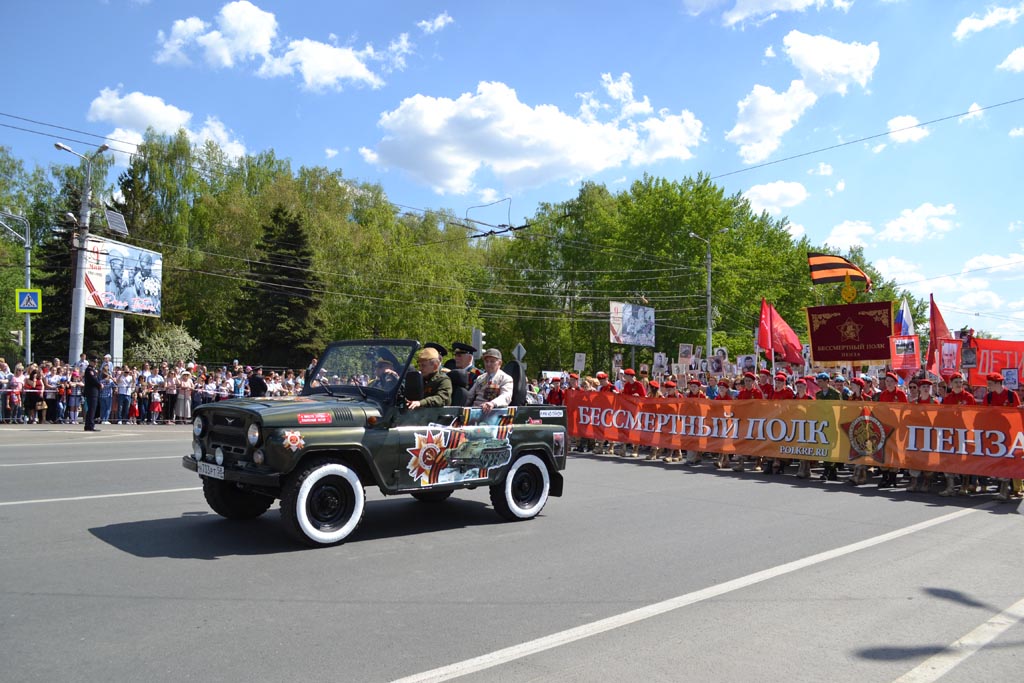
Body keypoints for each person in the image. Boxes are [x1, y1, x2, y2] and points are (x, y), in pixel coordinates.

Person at [982, 372, 1023, 501]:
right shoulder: (988, 397)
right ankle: (1004, 487)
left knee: (1009, 460)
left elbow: (1017, 414)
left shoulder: (1011, 395)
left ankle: (1007, 489)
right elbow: (982, 414)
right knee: (998, 461)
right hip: (994, 436)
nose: (988, 386)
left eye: (990, 384)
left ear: (998, 383)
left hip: (1010, 434)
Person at [465, 348, 513, 412]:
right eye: (486, 361)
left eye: (492, 361)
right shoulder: (480, 378)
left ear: (499, 363)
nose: (488, 364)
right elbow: (469, 396)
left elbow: (506, 396)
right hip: (474, 411)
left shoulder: (505, 378)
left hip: (492, 413)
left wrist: (492, 403)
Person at [407, 346, 452, 410]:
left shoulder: (443, 380)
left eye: (423, 365)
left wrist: (421, 403)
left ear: (435, 366)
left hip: (437, 417)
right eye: (419, 365)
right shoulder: (420, 380)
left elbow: (441, 399)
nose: (420, 369)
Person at [83, 360, 101, 431]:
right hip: (91, 392)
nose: (96, 363)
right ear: (91, 362)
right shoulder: (89, 370)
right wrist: (99, 384)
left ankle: (88, 425)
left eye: (96, 362)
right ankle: (90, 425)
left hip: (93, 392)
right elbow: (93, 379)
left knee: (91, 409)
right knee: (92, 409)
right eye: (94, 362)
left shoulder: (93, 370)